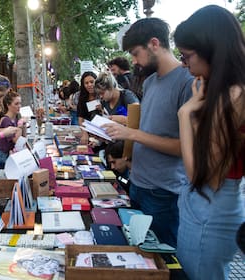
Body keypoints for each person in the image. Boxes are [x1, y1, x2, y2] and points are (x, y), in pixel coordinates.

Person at [102, 17, 194, 248]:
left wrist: (131, 134)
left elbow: (184, 147)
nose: (134, 61)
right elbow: (151, 125)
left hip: (163, 191)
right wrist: (125, 129)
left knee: (161, 258)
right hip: (139, 183)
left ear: (154, 44)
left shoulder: (188, 82)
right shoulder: (151, 82)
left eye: (135, 53)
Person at [174, 5, 245, 279]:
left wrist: (186, 115)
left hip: (210, 207)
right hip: (212, 205)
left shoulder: (233, 97)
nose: (184, 63)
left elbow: (199, 175)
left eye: (187, 55)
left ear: (211, 50)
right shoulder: (226, 93)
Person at [0, 91, 26, 169]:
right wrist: (20, 126)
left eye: (20, 103)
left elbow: (23, 137)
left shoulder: (15, 118)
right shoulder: (6, 120)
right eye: (16, 104)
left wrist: (24, 125)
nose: (19, 106)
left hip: (8, 154)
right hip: (2, 156)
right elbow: (17, 140)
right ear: (8, 105)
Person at [77, 71, 99, 145]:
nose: (89, 85)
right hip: (89, 136)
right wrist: (84, 132)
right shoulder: (82, 99)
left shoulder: (102, 97)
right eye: (86, 83)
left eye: (92, 82)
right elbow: (81, 119)